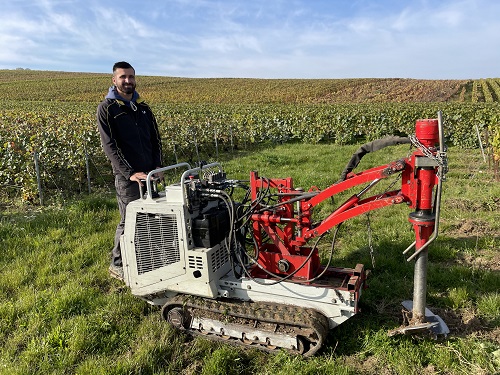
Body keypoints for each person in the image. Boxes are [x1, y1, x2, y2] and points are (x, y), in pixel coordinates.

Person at [97, 61, 163, 281]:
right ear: (114, 80)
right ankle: (117, 263)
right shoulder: (107, 108)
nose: (128, 81)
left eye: (131, 77)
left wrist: (158, 166)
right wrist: (129, 173)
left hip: (150, 174)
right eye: (123, 77)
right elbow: (110, 145)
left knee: (152, 217)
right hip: (129, 177)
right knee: (129, 220)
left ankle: (145, 257)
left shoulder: (143, 109)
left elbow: (155, 139)